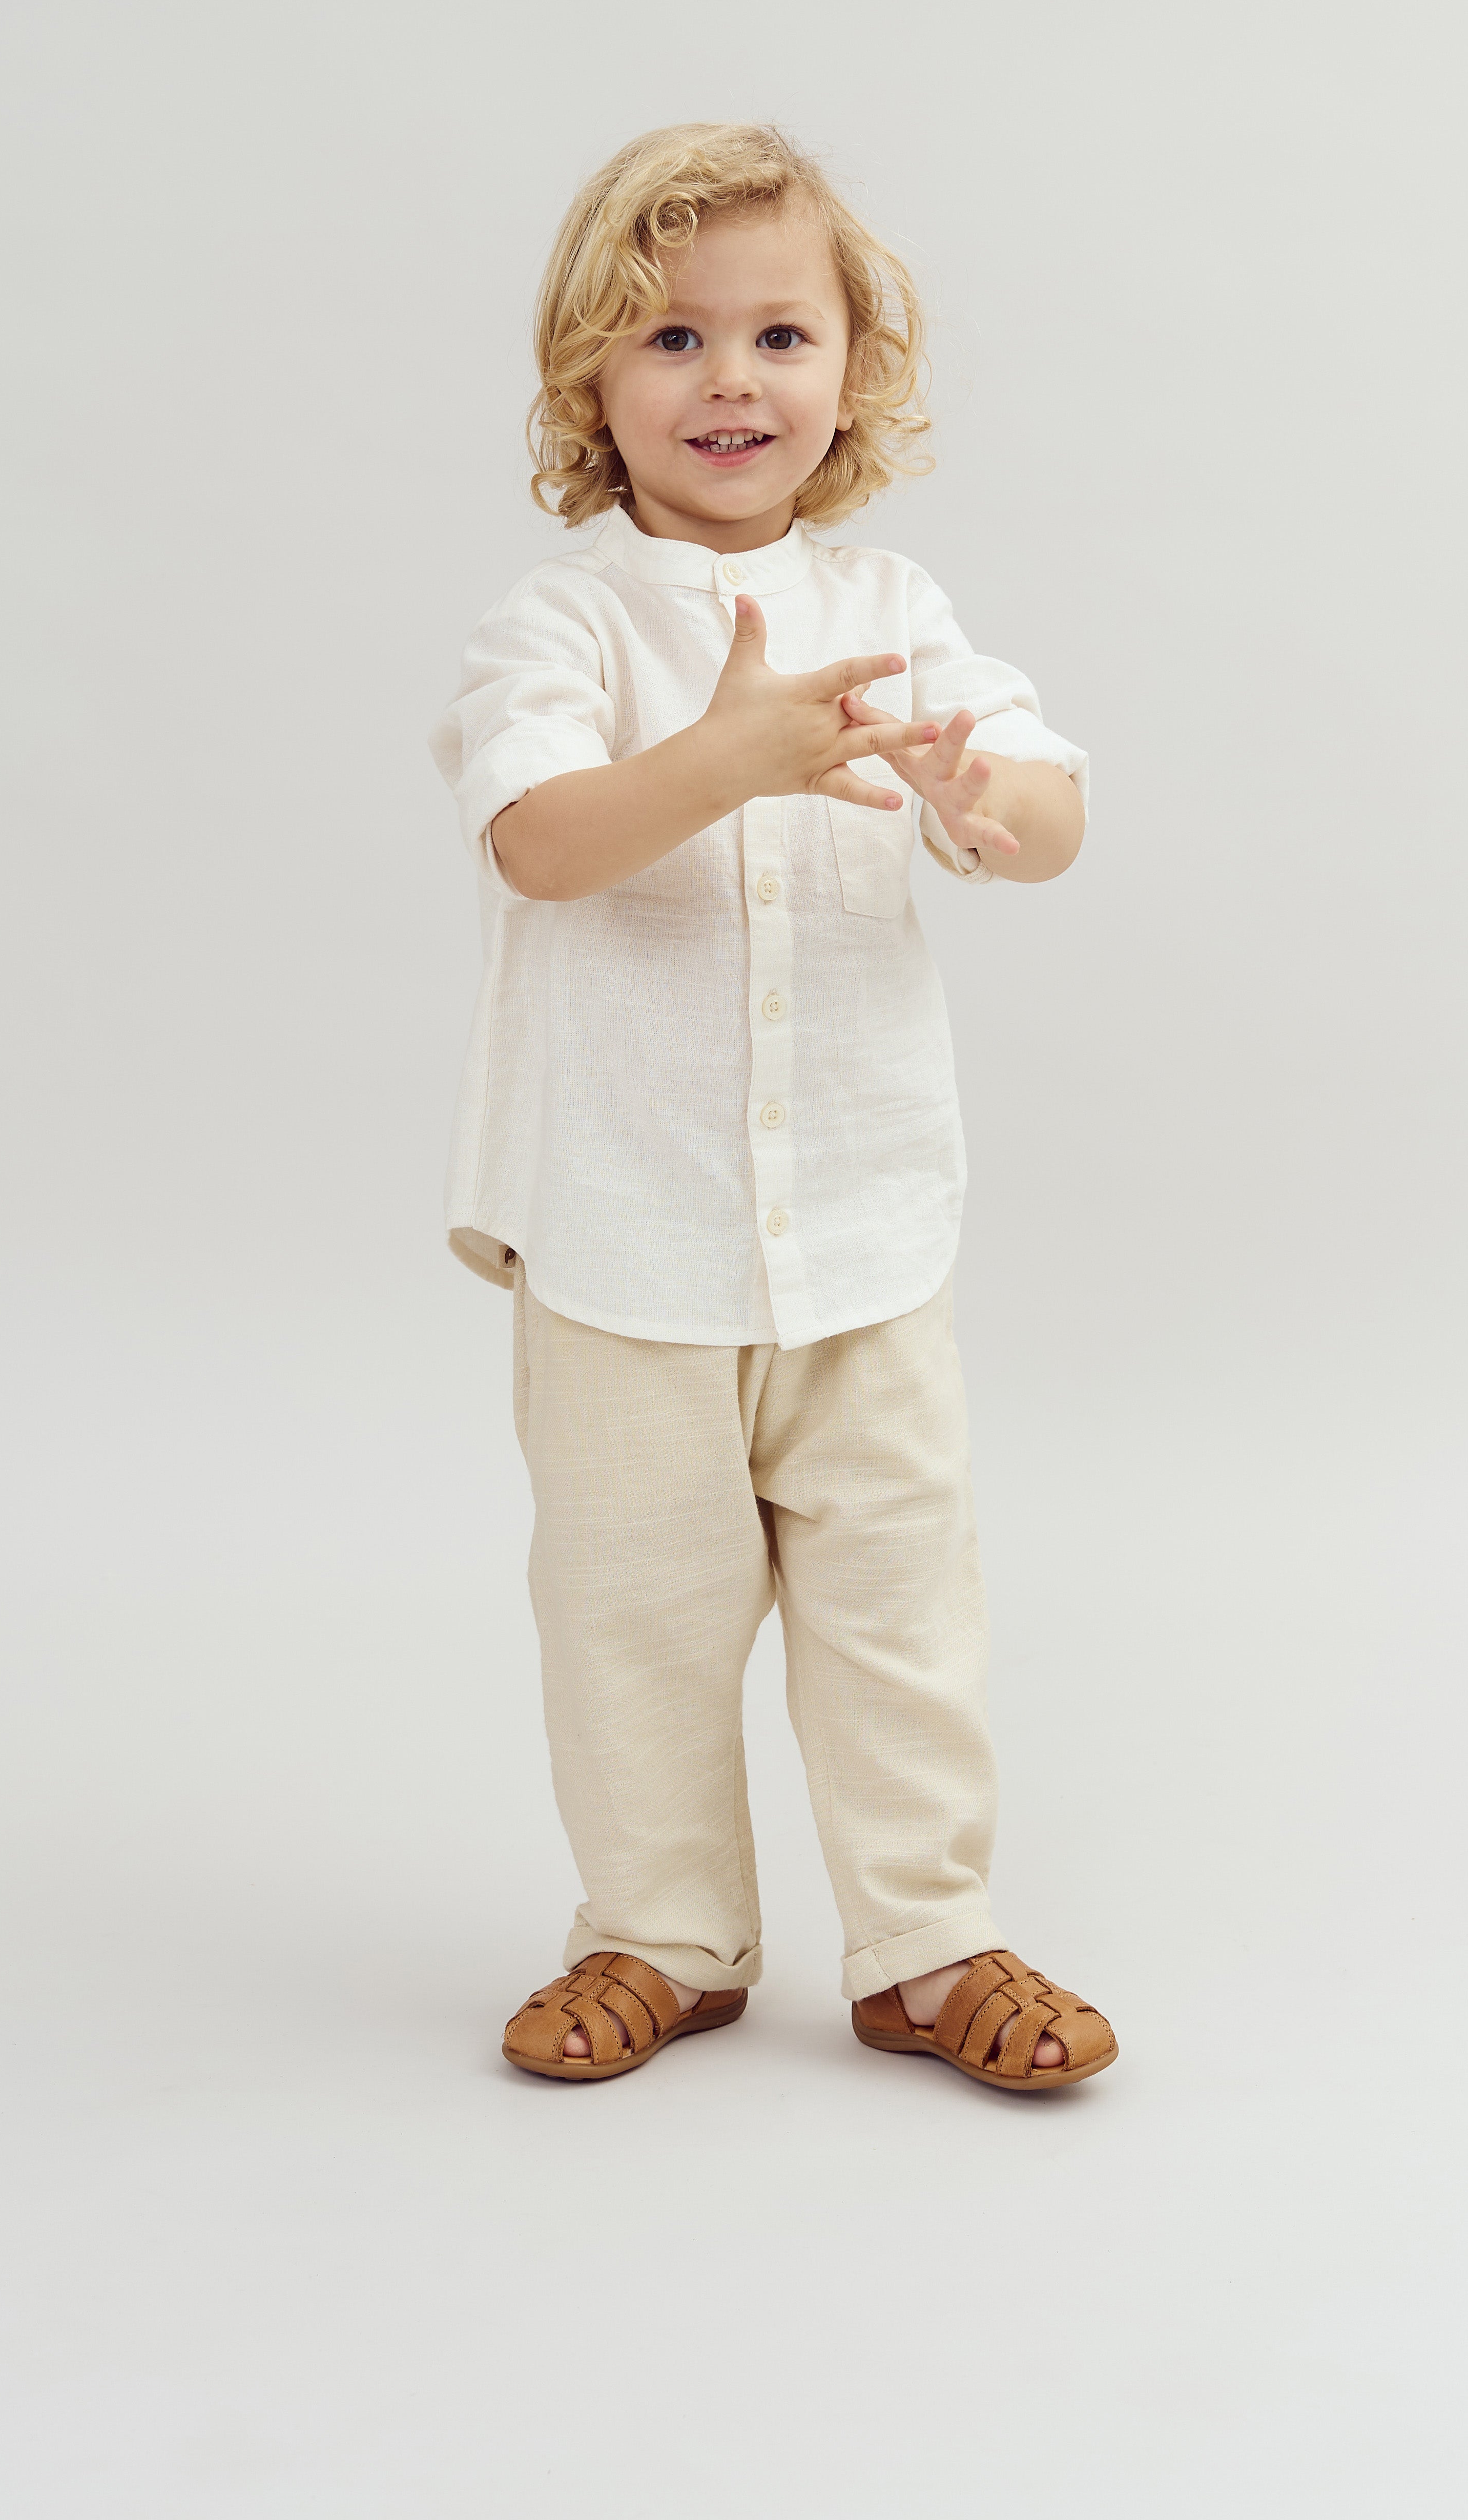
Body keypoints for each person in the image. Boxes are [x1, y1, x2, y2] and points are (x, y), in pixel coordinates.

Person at [428, 122, 1118, 2095]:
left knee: (901, 1599)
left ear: (851, 370)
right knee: (634, 1614)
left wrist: (992, 806)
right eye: (670, 338)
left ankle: (926, 1940)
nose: (731, 379)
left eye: (780, 334)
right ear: (591, 384)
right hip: (624, 1235)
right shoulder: (556, 625)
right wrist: (724, 758)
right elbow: (544, 843)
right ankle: (665, 1933)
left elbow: (1048, 803)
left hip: (871, 1238)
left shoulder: (893, 602)